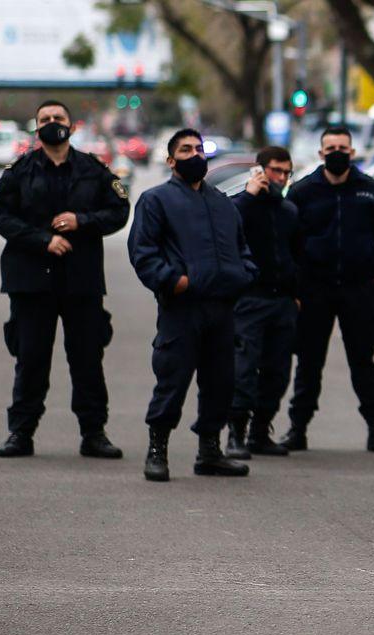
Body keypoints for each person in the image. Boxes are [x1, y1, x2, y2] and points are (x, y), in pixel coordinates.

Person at [0, 98, 130, 459]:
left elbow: (119, 210)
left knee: (87, 358)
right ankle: (21, 432)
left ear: (72, 124)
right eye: (46, 118)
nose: (53, 122)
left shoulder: (93, 170)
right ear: (37, 127)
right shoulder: (20, 171)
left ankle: (94, 432)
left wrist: (82, 221)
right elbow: (0, 217)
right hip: (31, 281)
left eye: (59, 117)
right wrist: (42, 240)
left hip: (81, 281)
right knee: (31, 358)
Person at [128, 129, 258, 482]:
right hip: (182, 308)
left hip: (222, 307)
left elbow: (242, 248)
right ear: (171, 161)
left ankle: (210, 452)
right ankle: (157, 450)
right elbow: (143, 253)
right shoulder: (155, 200)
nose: (195, 154)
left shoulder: (221, 202)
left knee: (221, 382)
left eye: (198, 149)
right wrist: (175, 282)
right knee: (172, 380)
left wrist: (244, 274)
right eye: (185, 150)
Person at [280, 126, 374, 454]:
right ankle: (297, 428)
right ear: (320, 154)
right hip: (314, 290)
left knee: (363, 362)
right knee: (308, 362)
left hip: (359, 290)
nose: (337, 152)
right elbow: (287, 240)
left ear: (352, 152)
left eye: (342, 147)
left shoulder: (371, 190)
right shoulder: (303, 191)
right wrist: (296, 285)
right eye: (330, 147)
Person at [224, 146, 300, 460]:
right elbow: (225, 229)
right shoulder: (240, 206)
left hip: (282, 301)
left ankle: (260, 431)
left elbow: (296, 254)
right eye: (275, 171)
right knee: (244, 368)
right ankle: (236, 434)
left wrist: (297, 295)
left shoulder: (289, 211)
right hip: (250, 301)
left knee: (278, 371)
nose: (281, 178)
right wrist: (249, 195)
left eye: (286, 172)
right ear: (260, 171)